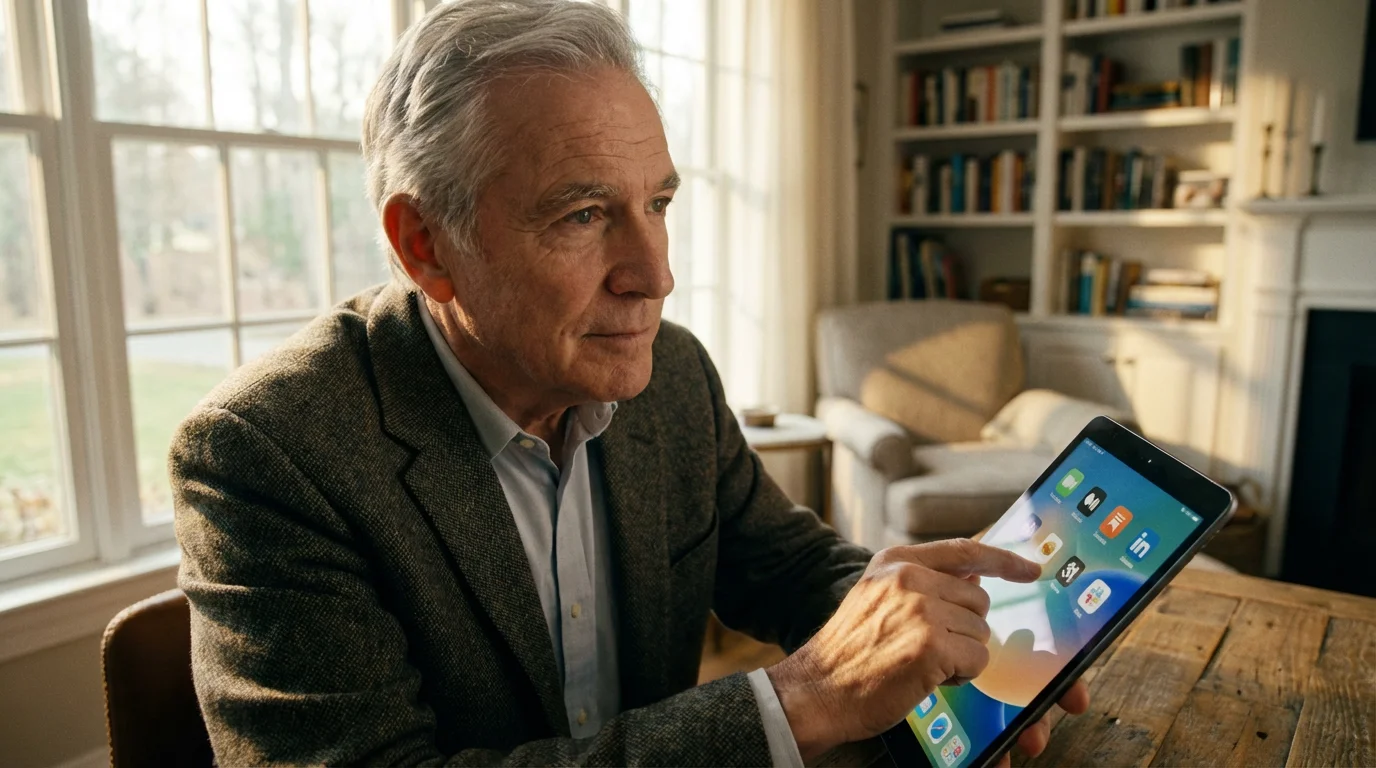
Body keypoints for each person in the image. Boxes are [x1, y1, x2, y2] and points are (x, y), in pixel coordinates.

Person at [171, 1, 1088, 764]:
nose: (656, 276)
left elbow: (788, 565)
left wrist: (954, 637)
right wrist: (797, 700)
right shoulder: (269, 454)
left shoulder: (671, 373)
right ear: (426, 245)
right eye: (583, 214)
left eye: (658, 203)